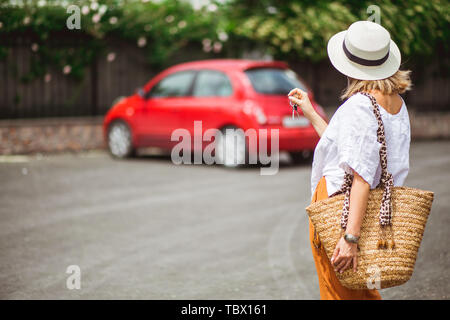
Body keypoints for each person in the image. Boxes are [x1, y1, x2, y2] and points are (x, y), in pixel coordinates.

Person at [288, 20, 412, 300]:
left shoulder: (359, 106)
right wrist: (310, 111)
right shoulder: (396, 104)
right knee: (362, 289)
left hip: (340, 208)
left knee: (338, 290)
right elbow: (347, 149)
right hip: (372, 209)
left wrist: (350, 238)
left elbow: (362, 176)